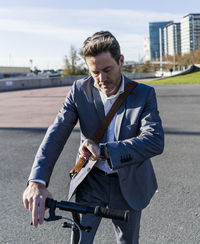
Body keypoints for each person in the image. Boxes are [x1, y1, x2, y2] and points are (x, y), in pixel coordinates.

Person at [23, 31, 164, 244]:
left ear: (121, 61)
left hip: (129, 184)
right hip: (91, 181)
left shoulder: (144, 94)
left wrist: (105, 151)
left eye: (107, 70)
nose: (101, 79)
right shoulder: (79, 90)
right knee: (80, 241)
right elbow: (57, 132)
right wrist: (36, 181)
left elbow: (154, 140)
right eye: (95, 72)